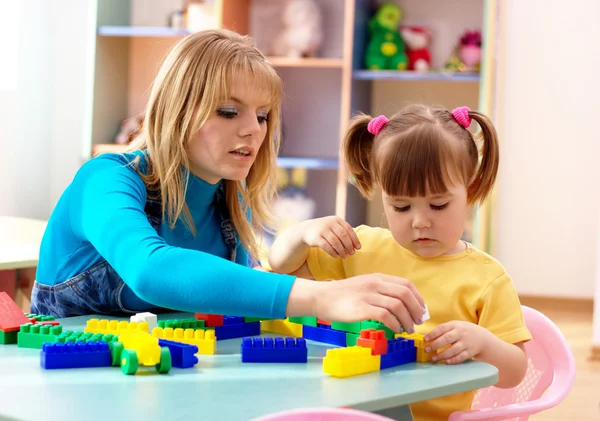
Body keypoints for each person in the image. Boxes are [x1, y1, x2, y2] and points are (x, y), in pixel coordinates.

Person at [30, 28, 426, 334]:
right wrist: (324, 297)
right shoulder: (105, 179)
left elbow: (240, 302)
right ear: (178, 110)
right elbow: (149, 270)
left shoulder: (228, 208)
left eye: (263, 115)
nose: (253, 130)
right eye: (227, 111)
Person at [268, 104, 531, 421]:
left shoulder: (487, 279)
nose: (420, 222)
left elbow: (516, 372)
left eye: (438, 204)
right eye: (401, 207)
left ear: (470, 190)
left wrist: (482, 343)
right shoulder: (362, 247)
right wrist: (301, 233)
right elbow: (281, 266)